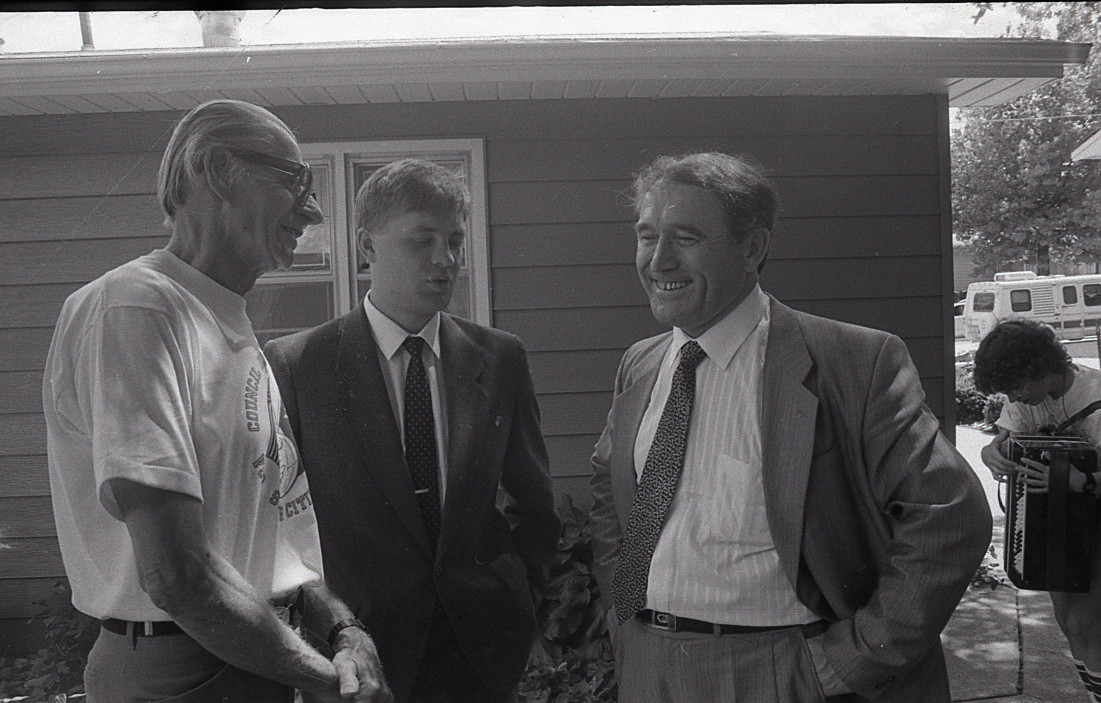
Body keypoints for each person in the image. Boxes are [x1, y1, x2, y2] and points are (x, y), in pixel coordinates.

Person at [588, 151, 992, 701]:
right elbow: (613, 498)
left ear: (752, 248)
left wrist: (855, 657)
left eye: (685, 237)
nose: (658, 261)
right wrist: (623, 608)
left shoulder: (854, 360)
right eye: (645, 235)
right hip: (650, 666)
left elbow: (950, 517)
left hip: (780, 670)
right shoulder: (641, 362)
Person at [43, 99, 391, 703]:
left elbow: (272, 535)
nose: (312, 208)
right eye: (295, 180)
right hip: (186, 671)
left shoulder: (225, 322)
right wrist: (325, 682)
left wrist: (342, 628)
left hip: (255, 654)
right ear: (220, 169)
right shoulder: (138, 308)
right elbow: (177, 576)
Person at [264, 158, 560, 703]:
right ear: (366, 247)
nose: (444, 260)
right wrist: (330, 631)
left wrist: (517, 604)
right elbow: (284, 528)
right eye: (421, 240)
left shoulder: (498, 359)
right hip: (361, 659)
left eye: (454, 240)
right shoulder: (299, 365)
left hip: (480, 656)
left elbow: (534, 507)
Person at [974, 319, 1101, 701]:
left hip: (1097, 522)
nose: (1013, 397)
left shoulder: (1095, 396)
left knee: (1086, 622)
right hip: (1058, 522)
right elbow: (1003, 441)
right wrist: (990, 453)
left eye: (1016, 385)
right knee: (1069, 624)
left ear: (1039, 366)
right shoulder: (1023, 402)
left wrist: (1081, 482)